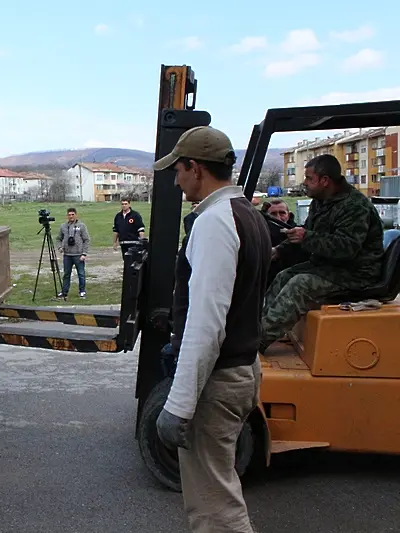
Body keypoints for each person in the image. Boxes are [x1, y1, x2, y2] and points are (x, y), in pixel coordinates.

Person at [152, 126, 272, 533]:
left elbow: (206, 325)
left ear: (196, 168)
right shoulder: (247, 215)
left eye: (178, 170)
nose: (176, 180)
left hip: (217, 383)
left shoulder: (215, 222)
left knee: (215, 510)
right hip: (239, 370)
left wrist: (179, 405)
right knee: (219, 493)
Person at [258, 154, 384, 353]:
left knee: (300, 285)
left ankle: (257, 342)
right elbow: (306, 233)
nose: (305, 183)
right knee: (284, 276)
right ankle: (261, 331)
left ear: (325, 181)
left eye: (309, 179)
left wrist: (306, 237)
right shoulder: (321, 201)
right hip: (331, 267)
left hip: (357, 273)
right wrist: (278, 251)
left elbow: (347, 248)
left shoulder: (354, 206)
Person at [55, 207, 90, 299]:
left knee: (81, 274)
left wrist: (84, 253)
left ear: (76, 215)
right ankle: (64, 291)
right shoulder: (63, 226)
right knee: (66, 274)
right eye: (69, 215)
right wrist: (59, 247)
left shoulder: (81, 226)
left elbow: (86, 240)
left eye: (72, 214)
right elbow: (58, 238)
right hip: (67, 255)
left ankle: (82, 291)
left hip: (78, 254)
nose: (71, 216)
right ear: (67, 216)